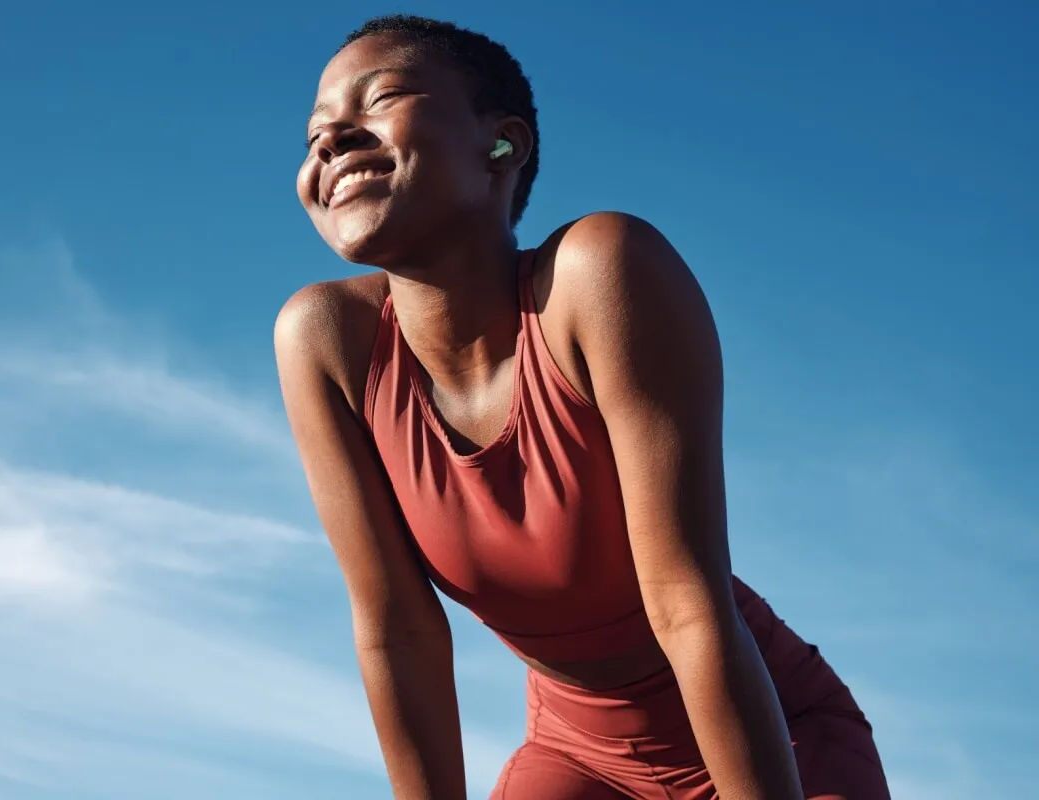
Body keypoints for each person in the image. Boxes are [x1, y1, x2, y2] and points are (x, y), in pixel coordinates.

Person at [275, 14, 891, 800]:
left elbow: (686, 605)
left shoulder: (599, 274)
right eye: (315, 133)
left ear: (503, 145)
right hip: (577, 757)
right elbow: (398, 631)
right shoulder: (324, 341)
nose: (332, 141)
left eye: (383, 96)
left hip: (770, 737)